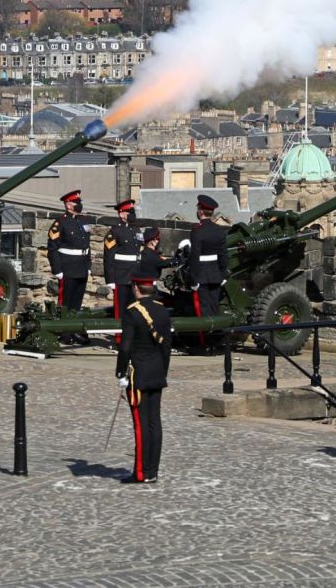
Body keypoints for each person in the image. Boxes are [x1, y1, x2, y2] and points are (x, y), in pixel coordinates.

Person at [116, 273, 172, 484]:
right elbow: (166, 347)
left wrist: (121, 373)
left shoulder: (132, 313)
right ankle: (152, 471)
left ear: (136, 288)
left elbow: (126, 347)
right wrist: (162, 371)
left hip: (138, 374)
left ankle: (141, 472)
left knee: (140, 424)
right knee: (154, 423)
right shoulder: (163, 311)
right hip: (157, 371)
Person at [182, 195, 228, 347]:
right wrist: (222, 275)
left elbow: (195, 257)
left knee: (202, 311)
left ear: (201, 211)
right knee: (214, 308)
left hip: (201, 275)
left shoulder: (197, 231)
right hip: (215, 274)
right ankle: (215, 341)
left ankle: (204, 343)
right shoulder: (219, 231)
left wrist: (193, 279)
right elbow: (223, 255)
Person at [48, 190, 91, 312]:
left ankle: (74, 331)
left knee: (77, 304)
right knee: (65, 305)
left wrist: (88, 266)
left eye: (79, 201)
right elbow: (52, 247)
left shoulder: (83, 220)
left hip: (82, 267)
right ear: (68, 205)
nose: (79, 204)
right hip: (68, 268)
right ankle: (64, 331)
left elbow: (87, 244)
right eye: (76, 202)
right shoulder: (60, 222)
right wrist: (57, 270)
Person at [104, 199, 141, 319]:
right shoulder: (115, 231)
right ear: (121, 214)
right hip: (121, 276)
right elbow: (108, 256)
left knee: (135, 307)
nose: (132, 214)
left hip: (135, 274)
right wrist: (110, 280)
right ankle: (120, 336)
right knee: (120, 309)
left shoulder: (137, 230)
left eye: (133, 211)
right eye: (129, 211)